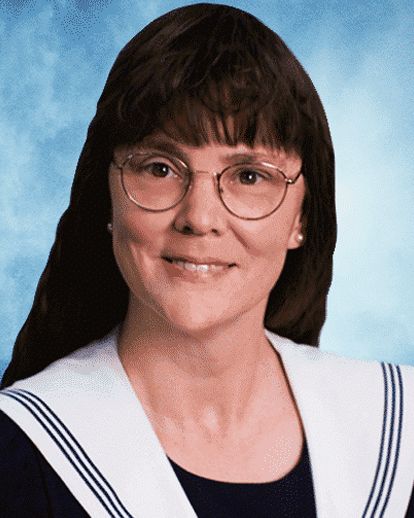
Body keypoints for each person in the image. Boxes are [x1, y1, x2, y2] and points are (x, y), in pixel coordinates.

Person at [0, 3, 413, 517]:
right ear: (107, 199)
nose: (199, 217)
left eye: (248, 176)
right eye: (159, 167)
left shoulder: (397, 429)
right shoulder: (22, 450)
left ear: (302, 218)